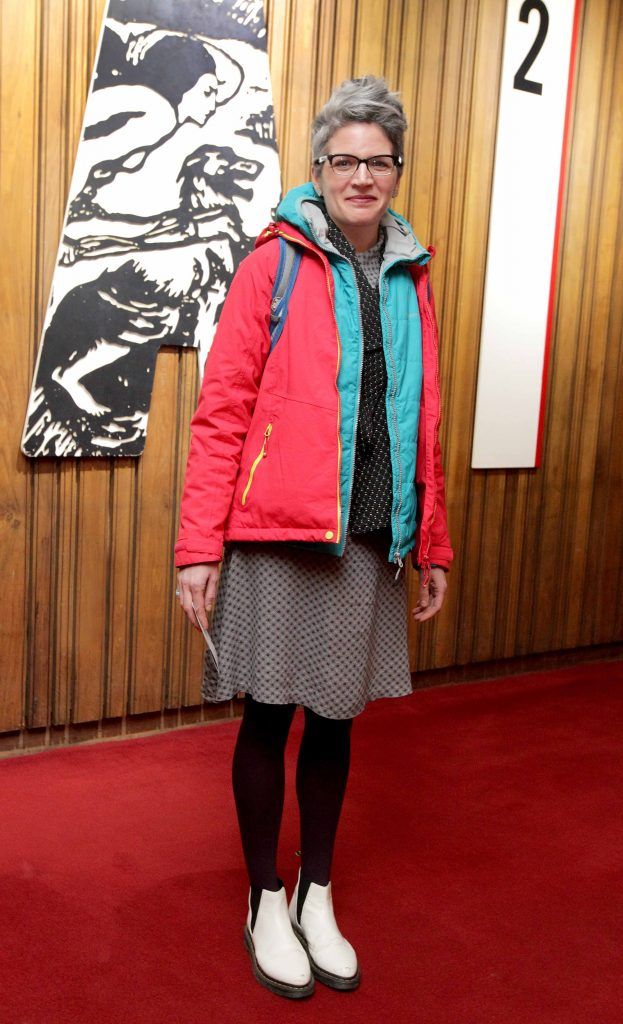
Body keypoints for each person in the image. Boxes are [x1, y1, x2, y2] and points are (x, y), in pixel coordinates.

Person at [175, 75, 453, 1000]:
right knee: (268, 716)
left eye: (378, 161)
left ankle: (315, 892)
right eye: (345, 159)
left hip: (369, 536)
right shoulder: (276, 263)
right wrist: (196, 547)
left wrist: (434, 540)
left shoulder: (411, 276)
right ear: (319, 167)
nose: (361, 176)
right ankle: (263, 896)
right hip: (277, 533)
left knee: (335, 720)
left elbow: (425, 421)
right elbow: (220, 413)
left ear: (395, 171)